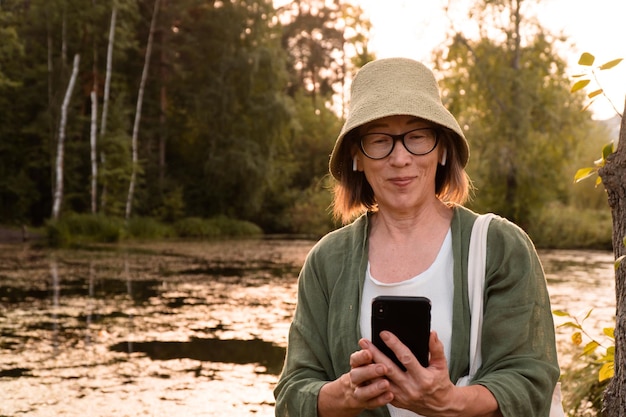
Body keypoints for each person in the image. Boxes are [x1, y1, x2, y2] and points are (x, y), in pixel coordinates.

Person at [273, 57, 559, 417]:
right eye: (379, 140)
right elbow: (292, 394)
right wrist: (344, 393)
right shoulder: (327, 260)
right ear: (357, 157)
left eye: (416, 137)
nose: (400, 157)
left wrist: (449, 401)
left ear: (441, 149)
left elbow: (530, 379)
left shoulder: (500, 247)